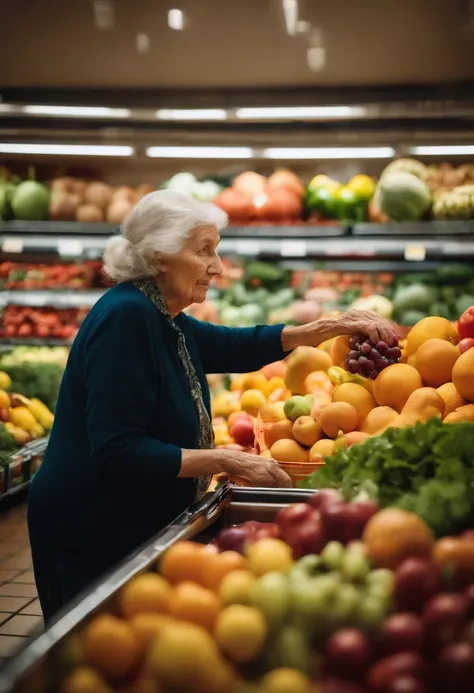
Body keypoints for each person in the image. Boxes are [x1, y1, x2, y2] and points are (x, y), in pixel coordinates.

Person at [27, 190, 397, 624]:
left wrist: (327, 326)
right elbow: (117, 449)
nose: (218, 268)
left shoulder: (159, 312)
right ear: (161, 255)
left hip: (124, 517)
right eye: (205, 251)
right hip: (91, 528)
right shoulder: (126, 318)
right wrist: (224, 459)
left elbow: (229, 345)